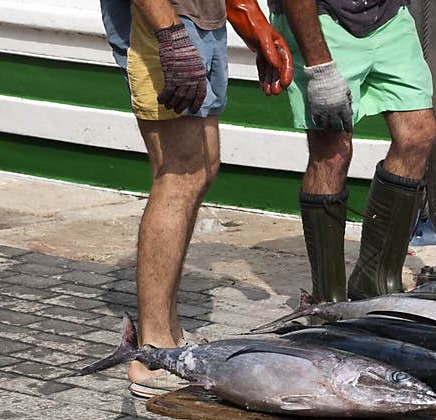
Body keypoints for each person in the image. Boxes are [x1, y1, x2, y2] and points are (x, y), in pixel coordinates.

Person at [98, 0, 292, 397]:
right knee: (178, 176)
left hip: (201, 21)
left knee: (202, 170)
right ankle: (151, 351)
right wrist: (170, 34)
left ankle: (169, 333)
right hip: (162, 23)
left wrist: (253, 26)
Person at [267, 0, 436, 302]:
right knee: (332, 152)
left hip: (388, 16)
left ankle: (376, 280)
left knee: (418, 135)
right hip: (320, 19)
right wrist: (320, 68)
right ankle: (328, 300)